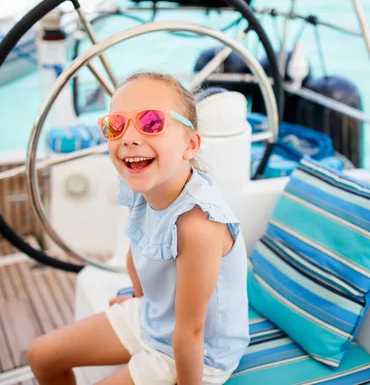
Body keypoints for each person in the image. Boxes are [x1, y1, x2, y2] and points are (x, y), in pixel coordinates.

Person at [27, 72, 250, 385]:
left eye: (151, 123)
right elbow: (137, 245)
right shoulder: (140, 183)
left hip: (195, 350)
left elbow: (191, 332)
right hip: (153, 315)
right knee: (41, 355)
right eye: (115, 125)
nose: (128, 138)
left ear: (191, 144)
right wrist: (138, 295)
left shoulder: (199, 224)